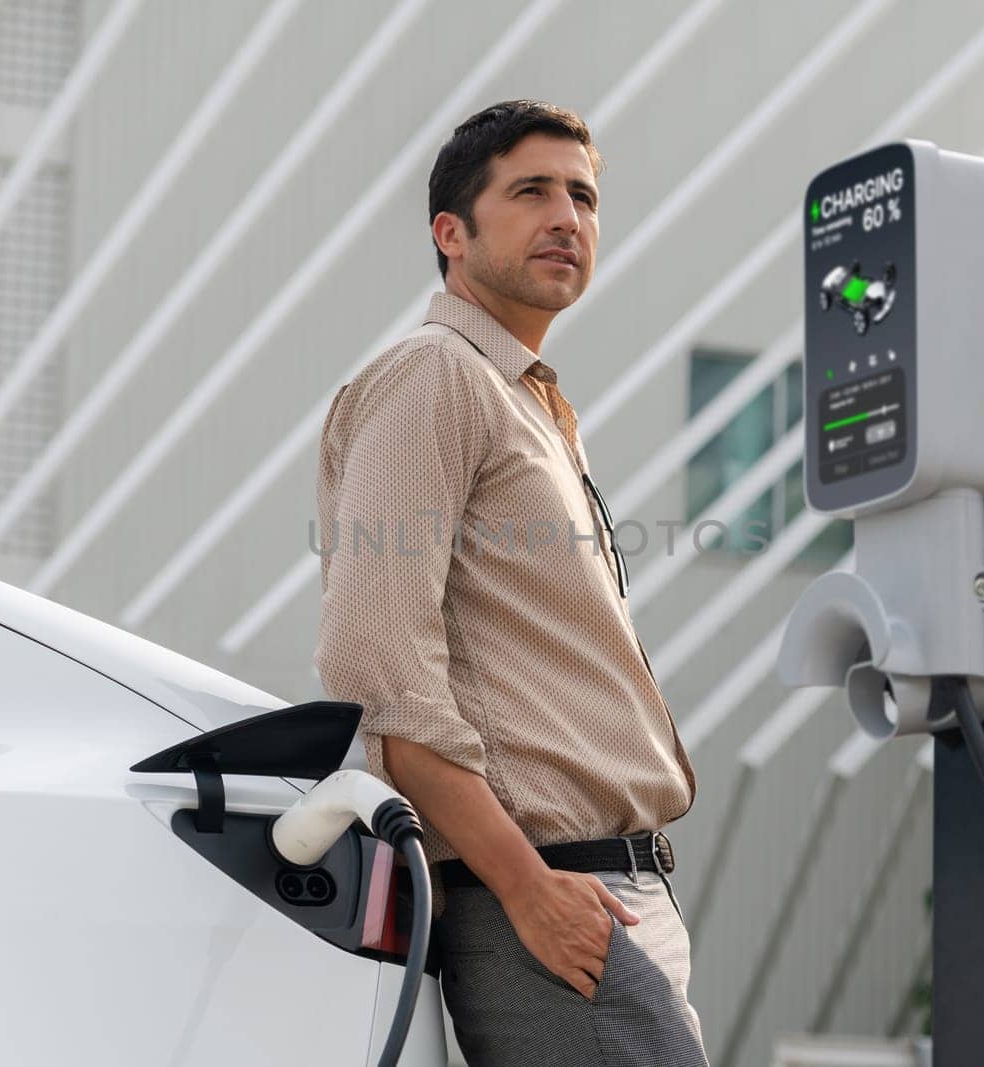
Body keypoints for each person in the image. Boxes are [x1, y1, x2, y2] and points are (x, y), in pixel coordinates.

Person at [314, 99, 707, 1066]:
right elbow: (380, 672)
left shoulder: (524, 403)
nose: (566, 217)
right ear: (451, 233)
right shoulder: (434, 378)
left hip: (600, 896)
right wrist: (529, 889)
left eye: (584, 195)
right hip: (546, 900)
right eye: (531, 191)